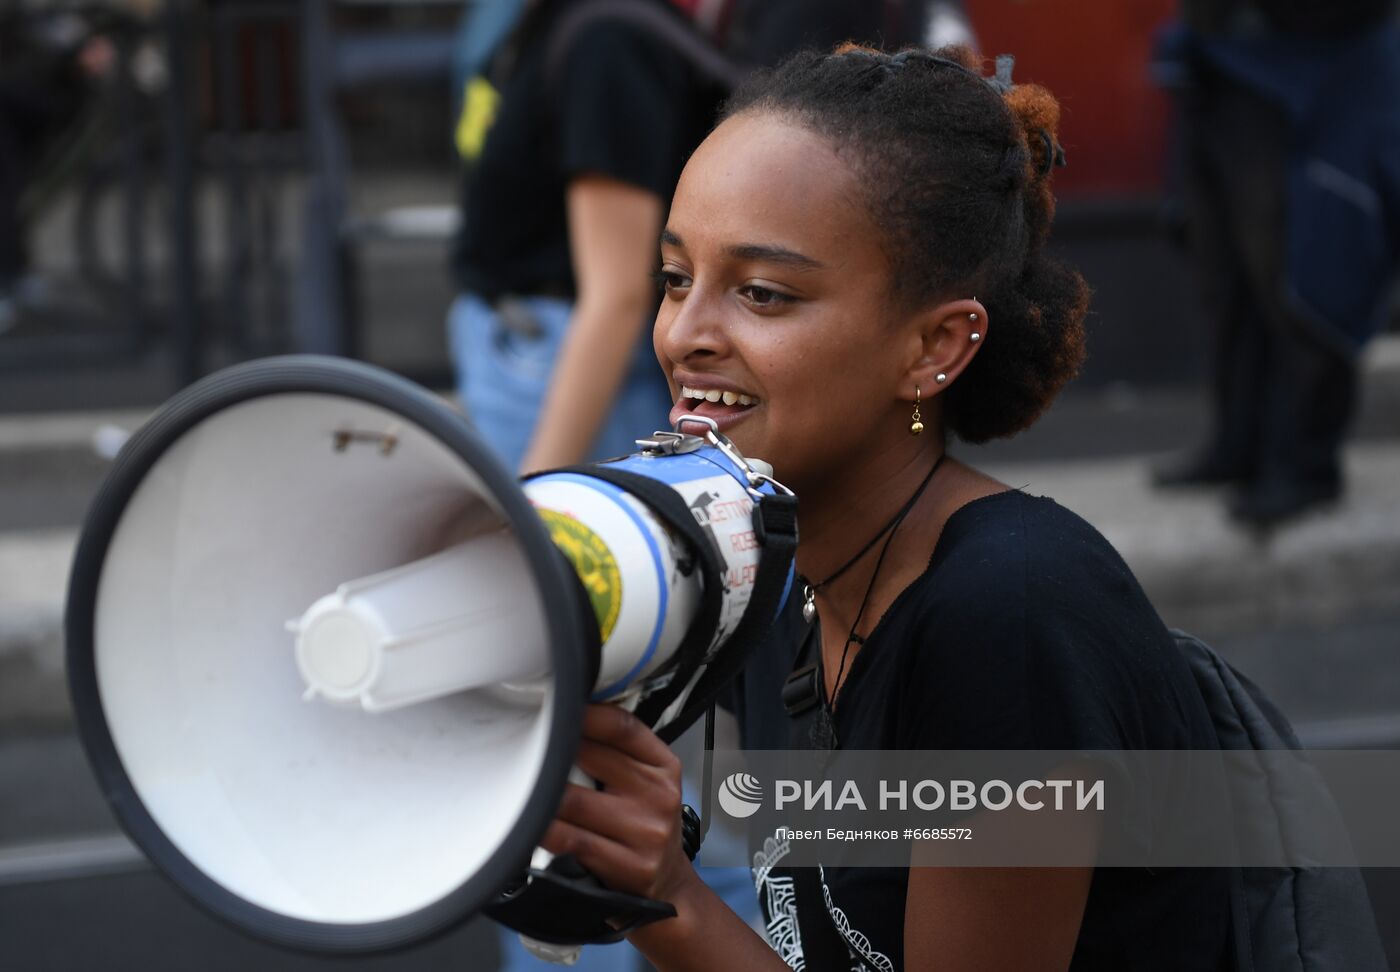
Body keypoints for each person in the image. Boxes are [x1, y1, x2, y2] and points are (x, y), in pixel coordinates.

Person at [537, 45, 1234, 970]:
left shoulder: (1008, 617)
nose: (686, 335)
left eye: (763, 293)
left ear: (933, 347)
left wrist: (667, 895)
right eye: (674, 278)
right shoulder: (785, 578)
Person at [1151, 0, 1400, 526]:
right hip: (1217, 55)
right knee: (1224, 272)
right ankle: (1239, 445)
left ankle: (1305, 466)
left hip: (1314, 66)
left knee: (1303, 273)